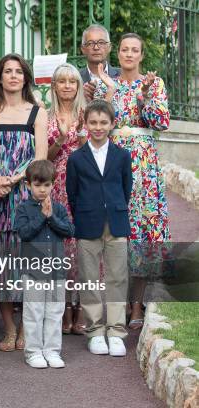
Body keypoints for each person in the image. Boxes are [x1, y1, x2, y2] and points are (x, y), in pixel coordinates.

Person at [93, 33, 171, 330]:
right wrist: (110, 90)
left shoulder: (155, 83)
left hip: (144, 167)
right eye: (124, 49)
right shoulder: (103, 84)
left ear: (141, 55)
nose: (128, 54)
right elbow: (97, 122)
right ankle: (114, 305)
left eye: (134, 50)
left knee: (141, 233)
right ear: (118, 53)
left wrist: (147, 97)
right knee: (112, 232)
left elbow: (161, 122)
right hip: (112, 163)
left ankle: (137, 305)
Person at [0, 53, 48, 352]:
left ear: (26, 77)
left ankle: (28, 326)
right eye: (8, 71)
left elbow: (40, 155)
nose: (14, 76)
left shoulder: (37, 111)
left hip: (25, 193)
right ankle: (10, 328)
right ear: (0, 77)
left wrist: (13, 180)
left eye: (19, 71)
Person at [66, 99, 132, 357]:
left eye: (103, 122)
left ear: (112, 124)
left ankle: (116, 331)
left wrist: (113, 208)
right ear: (85, 124)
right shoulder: (77, 158)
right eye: (93, 122)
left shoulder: (122, 156)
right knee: (89, 278)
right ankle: (95, 330)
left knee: (117, 277)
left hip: (116, 222)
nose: (98, 127)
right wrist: (84, 214)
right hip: (87, 222)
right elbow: (73, 194)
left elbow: (125, 189)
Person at [15, 160, 74, 369]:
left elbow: (69, 231)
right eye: (37, 185)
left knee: (54, 312)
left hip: (56, 270)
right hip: (33, 271)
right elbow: (24, 233)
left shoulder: (57, 208)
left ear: (53, 185)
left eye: (46, 185)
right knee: (33, 312)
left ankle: (52, 350)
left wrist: (52, 218)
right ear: (28, 185)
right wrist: (42, 216)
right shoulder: (23, 208)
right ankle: (33, 352)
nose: (42, 189)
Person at [46, 63, 87, 335]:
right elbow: (45, 157)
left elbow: (92, 152)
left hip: (82, 185)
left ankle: (79, 310)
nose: (68, 86)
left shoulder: (86, 114)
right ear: (54, 86)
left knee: (82, 248)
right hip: (56, 184)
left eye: (73, 81)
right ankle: (62, 311)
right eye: (62, 81)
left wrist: (82, 135)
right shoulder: (46, 115)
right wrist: (61, 138)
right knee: (61, 248)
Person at [79, 24, 120, 100]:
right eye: (90, 43)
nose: (96, 47)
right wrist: (80, 97)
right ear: (83, 49)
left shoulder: (122, 76)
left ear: (109, 47)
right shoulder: (75, 78)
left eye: (101, 43)